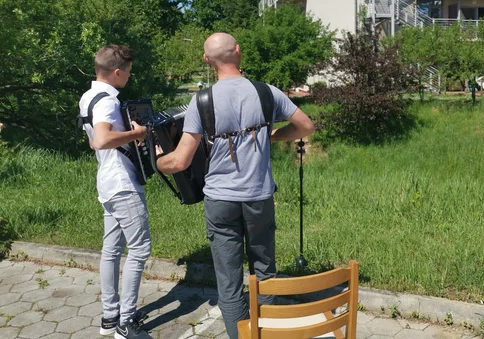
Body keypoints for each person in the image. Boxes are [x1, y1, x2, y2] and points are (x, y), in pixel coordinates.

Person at [156, 33, 315, 339]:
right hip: (259, 197)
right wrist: (271, 135)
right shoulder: (267, 93)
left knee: (229, 282)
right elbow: (305, 126)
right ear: (239, 53)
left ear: (206, 61)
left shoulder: (201, 101)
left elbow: (180, 162)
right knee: (265, 272)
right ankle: (267, 333)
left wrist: (158, 160)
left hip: (220, 201)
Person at [78, 45, 151, 339]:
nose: (129, 77)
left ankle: (109, 318)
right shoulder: (107, 100)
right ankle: (126, 321)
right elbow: (101, 139)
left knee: (111, 250)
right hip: (122, 184)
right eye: (129, 72)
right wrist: (138, 133)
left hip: (107, 182)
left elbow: (91, 140)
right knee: (140, 249)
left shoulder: (88, 97)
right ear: (117, 72)